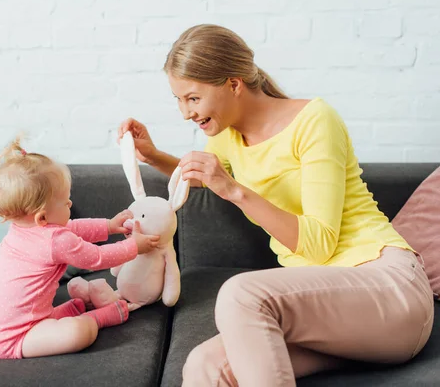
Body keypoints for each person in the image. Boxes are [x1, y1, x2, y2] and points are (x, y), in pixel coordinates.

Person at [118, 24, 434, 386]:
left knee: (240, 294)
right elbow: (204, 178)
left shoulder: (314, 120)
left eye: (192, 98)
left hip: (388, 288)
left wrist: (235, 190)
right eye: (177, 99)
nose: (185, 113)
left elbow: (318, 244)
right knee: (203, 366)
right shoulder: (226, 137)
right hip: (327, 313)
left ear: (233, 84)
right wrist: (153, 155)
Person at [0, 137, 160, 359]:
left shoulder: (21, 230)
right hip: (12, 338)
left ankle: (59, 314)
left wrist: (108, 226)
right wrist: (133, 246)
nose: (70, 204)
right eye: (65, 201)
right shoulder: (55, 241)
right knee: (80, 332)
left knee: (48, 318)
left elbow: (72, 228)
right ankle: (98, 317)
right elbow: (97, 257)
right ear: (42, 217)